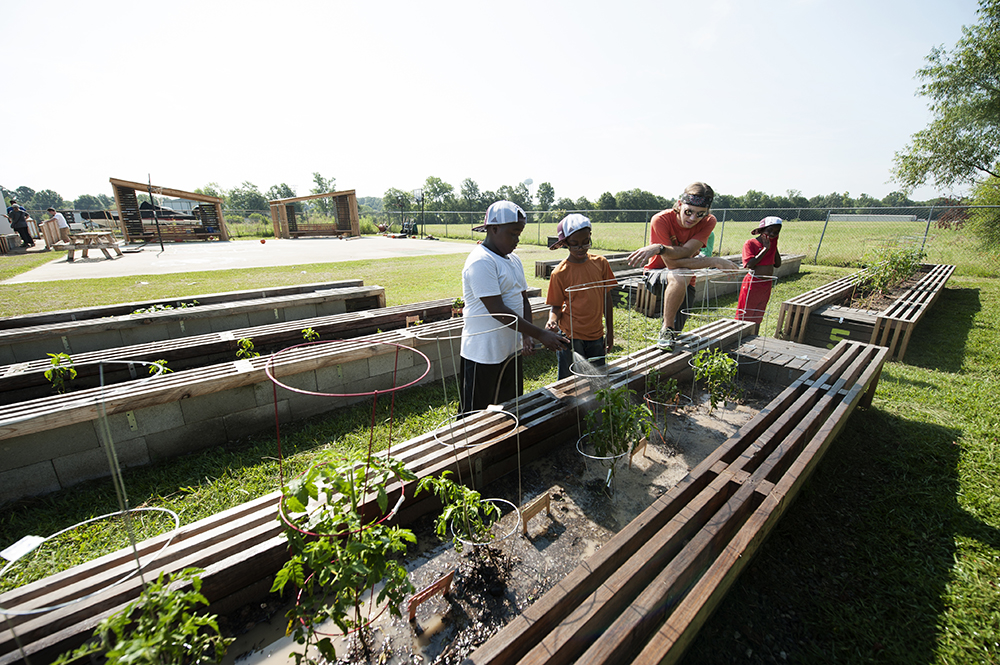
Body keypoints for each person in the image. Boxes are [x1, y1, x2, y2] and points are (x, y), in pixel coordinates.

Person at [460, 200, 568, 413]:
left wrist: (525, 337)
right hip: (483, 352)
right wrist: (540, 334)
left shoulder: (513, 259)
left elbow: (523, 300)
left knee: (509, 407)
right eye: (513, 234)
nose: (517, 240)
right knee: (474, 413)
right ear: (494, 228)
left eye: (519, 233)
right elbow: (498, 311)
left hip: (509, 349)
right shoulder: (481, 261)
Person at [625, 182, 737, 350]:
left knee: (676, 336)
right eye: (688, 211)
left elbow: (687, 251)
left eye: (700, 214)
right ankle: (666, 329)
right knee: (680, 274)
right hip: (656, 273)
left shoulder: (708, 221)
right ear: (679, 204)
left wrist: (661, 249)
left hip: (685, 278)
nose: (693, 218)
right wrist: (713, 261)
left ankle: (671, 332)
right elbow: (672, 263)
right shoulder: (661, 219)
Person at [544, 214, 616, 380]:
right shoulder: (560, 273)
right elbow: (555, 306)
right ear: (565, 243)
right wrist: (552, 320)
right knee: (568, 382)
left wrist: (610, 332)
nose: (581, 248)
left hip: (596, 335)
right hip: (570, 337)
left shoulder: (601, 263)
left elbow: (607, 299)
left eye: (585, 242)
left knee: (598, 380)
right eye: (574, 244)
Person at [736, 216, 783, 326]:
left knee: (758, 313)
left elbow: (777, 264)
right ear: (761, 230)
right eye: (769, 230)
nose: (772, 234)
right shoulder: (750, 243)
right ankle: (739, 336)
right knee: (746, 312)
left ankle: (754, 336)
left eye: (776, 232)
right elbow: (749, 264)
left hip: (766, 284)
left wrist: (773, 247)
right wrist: (765, 249)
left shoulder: (772, 244)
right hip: (753, 282)